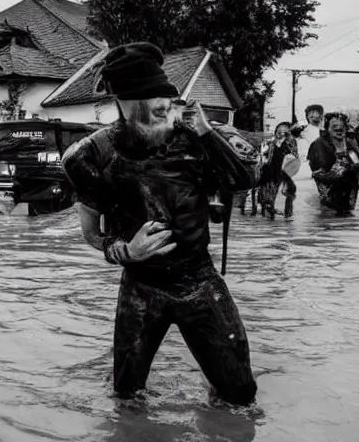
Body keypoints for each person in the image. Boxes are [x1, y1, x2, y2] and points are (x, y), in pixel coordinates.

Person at [61, 42, 258, 406]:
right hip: (141, 286)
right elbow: (90, 232)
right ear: (125, 103)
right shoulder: (93, 155)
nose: (164, 109)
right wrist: (124, 250)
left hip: (198, 278)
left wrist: (207, 134)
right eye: (152, 103)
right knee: (126, 395)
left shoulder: (194, 138)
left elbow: (245, 179)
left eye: (166, 100)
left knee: (240, 395)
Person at [308, 112, 359, 213]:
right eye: (335, 126)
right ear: (327, 128)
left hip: (349, 197)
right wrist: (339, 174)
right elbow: (317, 174)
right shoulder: (318, 145)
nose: (339, 129)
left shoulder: (350, 144)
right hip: (329, 199)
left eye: (342, 126)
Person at [256, 121, 299, 219]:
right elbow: (264, 158)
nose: (281, 132)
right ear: (276, 132)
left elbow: (294, 156)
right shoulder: (271, 143)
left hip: (284, 174)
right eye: (279, 131)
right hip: (270, 174)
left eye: (284, 131)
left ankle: (285, 216)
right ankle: (268, 217)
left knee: (288, 194)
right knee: (267, 201)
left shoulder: (291, 142)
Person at [291, 104, 324, 179]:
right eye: (311, 116)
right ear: (307, 117)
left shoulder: (325, 131)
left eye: (316, 115)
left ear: (321, 115)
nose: (314, 118)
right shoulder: (303, 132)